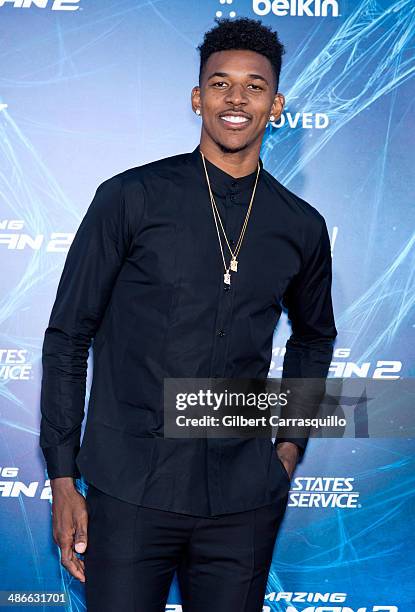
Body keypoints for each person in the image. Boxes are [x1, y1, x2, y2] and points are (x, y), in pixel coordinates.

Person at [39, 16, 337, 612]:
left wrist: (287, 446)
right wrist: (64, 476)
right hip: (129, 493)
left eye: (254, 86)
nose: (236, 98)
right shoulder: (131, 197)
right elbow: (69, 335)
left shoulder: (300, 225)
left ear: (275, 105)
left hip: (244, 500)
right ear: (197, 98)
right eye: (220, 83)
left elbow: (314, 337)